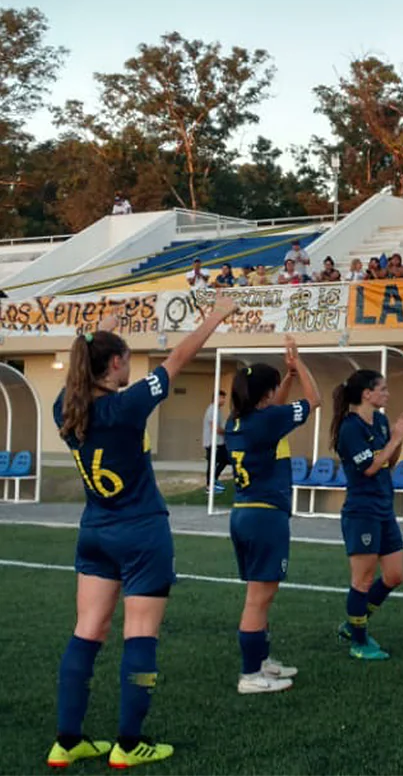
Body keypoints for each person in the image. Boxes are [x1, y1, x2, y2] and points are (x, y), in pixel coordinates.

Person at [48, 295, 237, 769]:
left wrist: (101, 328)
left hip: (95, 531)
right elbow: (178, 359)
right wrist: (216, 315)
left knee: (87, 632)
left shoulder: (63, 407)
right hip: (141, 533)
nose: (133, 365)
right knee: (140, 635)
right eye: (127, 358)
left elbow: (84, 363)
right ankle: (129, 746)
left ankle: (67, 741)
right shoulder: (126, 407)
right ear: (115, 364)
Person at [224, 336, 320, 694]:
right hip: (265, 516)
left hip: (245, 513)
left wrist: (287, 379)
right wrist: (300, 366)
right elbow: (315, 401)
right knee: (258, 598)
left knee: (261, 593)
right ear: (266, 392)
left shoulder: (237, 422)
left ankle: (261, 661)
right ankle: (250, 674)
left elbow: (272, 415)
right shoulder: (263, 422)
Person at [333, 370, 403, 661]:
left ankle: (354, 623)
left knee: (395, 575)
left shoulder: (380, 421)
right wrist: (395, 437)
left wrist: (399, 438)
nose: (387, 393)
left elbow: (387, 463)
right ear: (366, 394)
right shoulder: (350, 428)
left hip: (384, 507)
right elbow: (368, 467)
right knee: (363, 580)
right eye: (382, 389)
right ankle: (358, 641)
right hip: (362, 511)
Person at [203, 391, 230, 494]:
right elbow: (215, 428)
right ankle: (210, 485)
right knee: (213, 463)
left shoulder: (217, 410)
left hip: (219, 442)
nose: (224, 400)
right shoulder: (212, 410)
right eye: (222, 398)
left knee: (224, 460)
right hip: (212, 442)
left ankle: (213, 480)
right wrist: (227, 432)